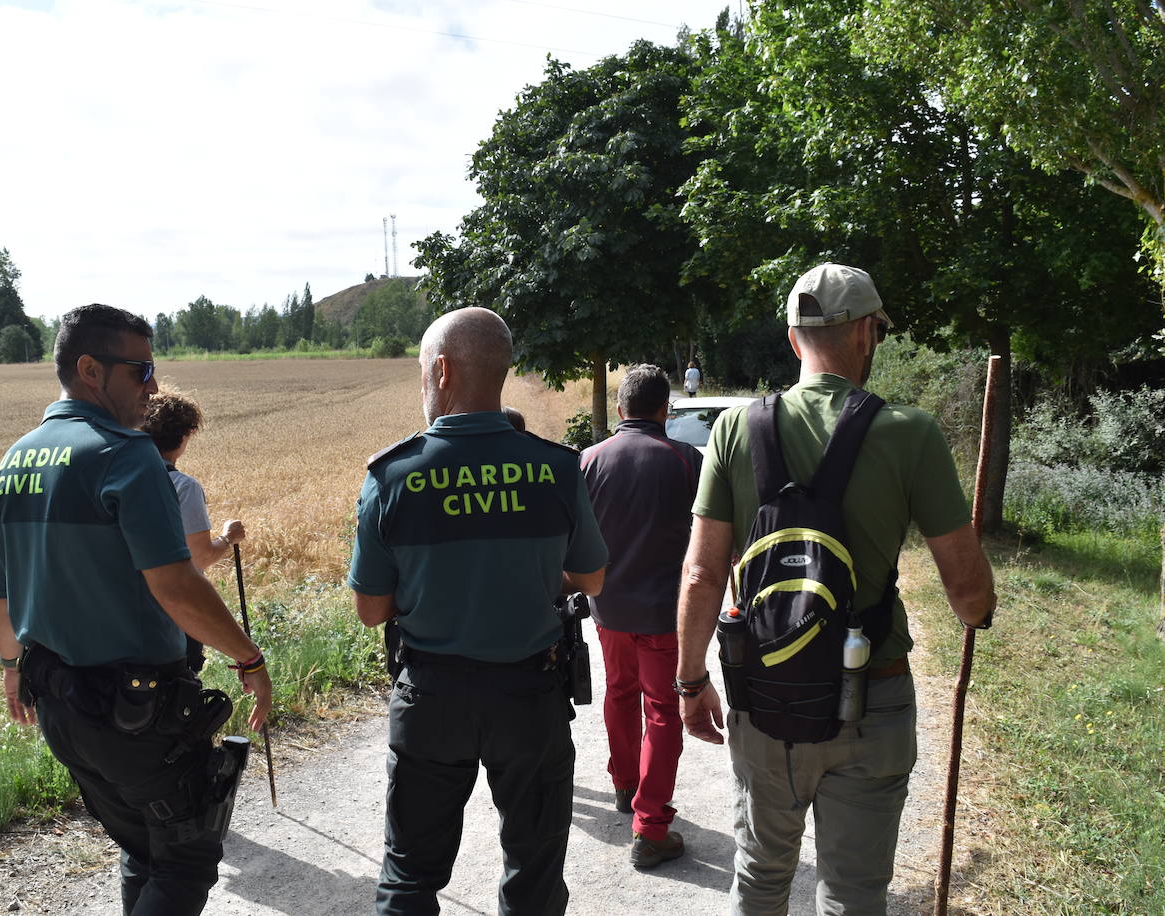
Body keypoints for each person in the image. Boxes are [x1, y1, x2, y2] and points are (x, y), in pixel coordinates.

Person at [675, 263, 996, 913]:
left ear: (795, 341)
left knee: (761, 877)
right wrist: (981, 607)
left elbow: (704, 573)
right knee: (853, 891)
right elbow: (967, 592)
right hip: (872, 695)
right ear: (865, 335)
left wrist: (689, 681)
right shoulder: (910, 433)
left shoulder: (737, 430)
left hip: (767, 702)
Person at [0, 304, 272, 916]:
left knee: (143, 847)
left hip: (58, 705)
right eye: (141, 370)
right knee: (187, 859)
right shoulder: (126, 453)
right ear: (90, 369)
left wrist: (12, 668)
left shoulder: (16, 459)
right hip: (134, 712)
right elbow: (176, 586)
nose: (153, 386)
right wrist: (248, 657)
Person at [349, 306, 609, 915]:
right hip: (530, 696)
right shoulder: (555, 468)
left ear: (441, 370)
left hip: (431, 698)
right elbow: (592, 576)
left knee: (410, 873)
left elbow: (370, 610)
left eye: (420, 371)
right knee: (534, 869)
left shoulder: (391, 477)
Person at [578, 364, 702, 869]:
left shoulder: (587, 459)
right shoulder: (686, 459)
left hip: (607, 608)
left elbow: (574, 540)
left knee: (619, 694)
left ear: (622, 409)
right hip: (663, 614)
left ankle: (624, 783)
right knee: (662, 710)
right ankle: (651, 828)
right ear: (663, 410)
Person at [142, 390, 247, 671]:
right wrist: (228, 538)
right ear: (185, 434)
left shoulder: (124, 481)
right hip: (175, 619)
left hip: (129, 617)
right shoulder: (183, 487)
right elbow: (199, 558)